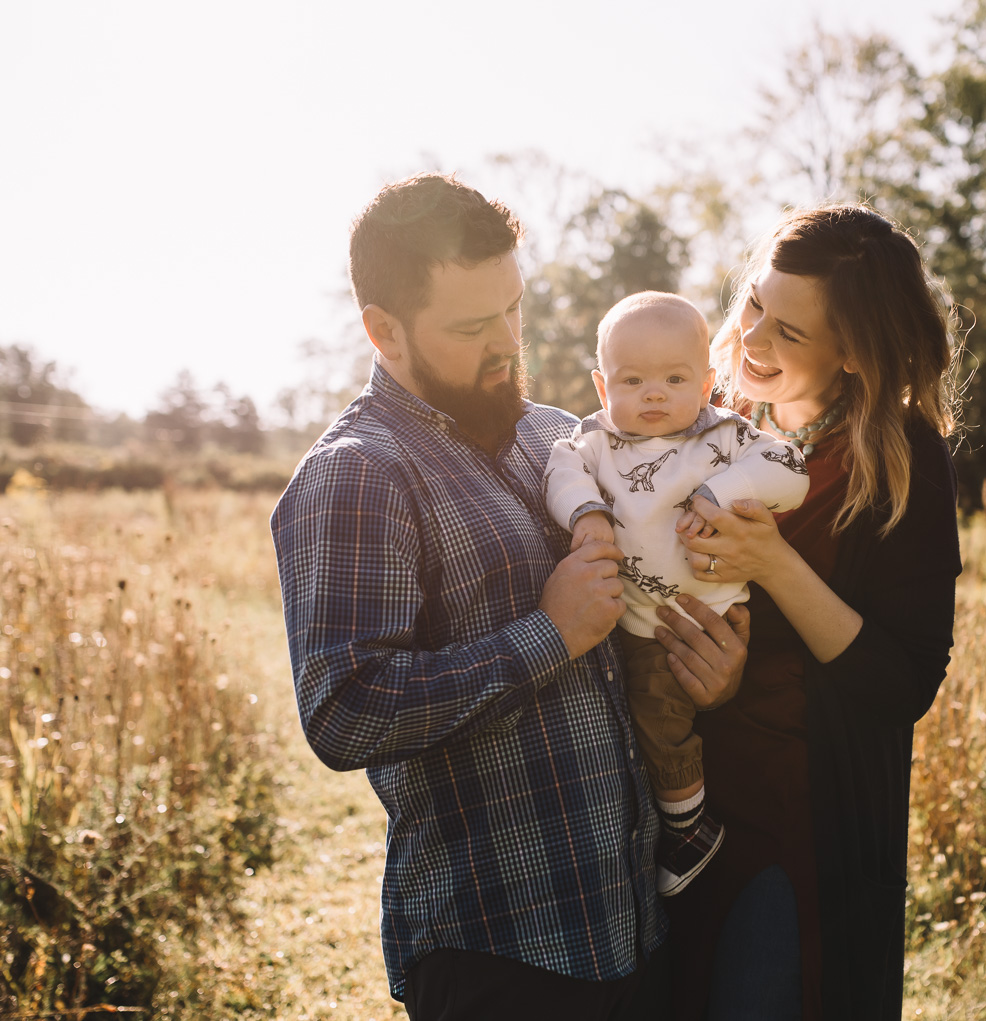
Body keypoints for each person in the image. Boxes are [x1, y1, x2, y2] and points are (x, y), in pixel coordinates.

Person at [269, 173, 749, 1021]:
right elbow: (342, 711)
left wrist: (705, 660)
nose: (506, 343)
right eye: (469, 325)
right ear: (383, 331)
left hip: (635, 920)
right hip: (500, 951)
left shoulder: (554, 435)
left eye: (512, 309)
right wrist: (549, 635)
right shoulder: (357, 475)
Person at [661, 205, 962, 1020]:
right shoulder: (693, 418)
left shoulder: (901, 460)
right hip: (660, 801)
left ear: (854, 353)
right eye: (755, 304)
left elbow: (902, 683)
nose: (753, 340)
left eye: (789, 334)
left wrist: (773, 564)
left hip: (797, 821)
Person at [543, 292, 810, 897]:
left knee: (659, 719)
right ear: (601, 384)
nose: (654, 393)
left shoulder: (726, 436)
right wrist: (586, 515)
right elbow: (560, 471)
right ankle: (667, 820)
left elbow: (792, 471)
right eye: (632, 379)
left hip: (706, 615)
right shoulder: (592, 442)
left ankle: (688, 828)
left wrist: (725, 490)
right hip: (635, 623)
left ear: (709, 382)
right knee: (635, 720)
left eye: (674, 378)